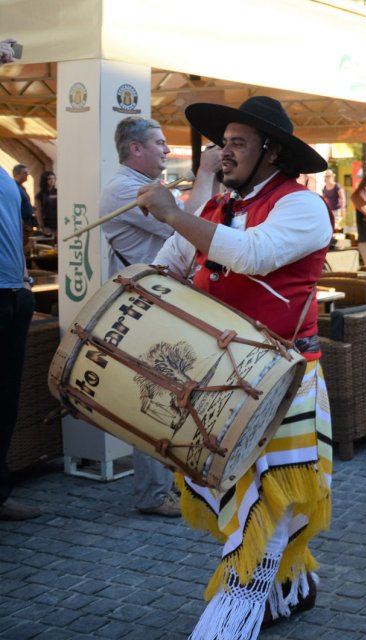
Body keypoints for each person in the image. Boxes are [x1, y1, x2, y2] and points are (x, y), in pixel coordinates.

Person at [138, 96, 333, 636]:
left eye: (238, 143)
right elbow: (168, 265)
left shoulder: (303, 206)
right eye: (223, 143)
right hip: (223, 376)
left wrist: (174, 213)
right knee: (242, 492)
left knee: (273, 498)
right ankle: (292, 587)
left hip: (285, 376)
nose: (224, 152)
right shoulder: (216, 209)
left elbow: (250, 254)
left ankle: (233, 616)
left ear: (272, 152)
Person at [99, 116, 219, 518]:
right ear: (135, 149)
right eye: (159, 143)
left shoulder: (141, 185)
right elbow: (190, 224)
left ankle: (170, 483)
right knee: (152, 395)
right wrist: (205, 172)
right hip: (146, 305)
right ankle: (152, 493)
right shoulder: (125, 189)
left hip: (159, 301)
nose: (167, 150)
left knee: (171, 391)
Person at [0, 165, 39, 521]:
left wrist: (24, 279)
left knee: (5, 402)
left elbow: (15, 229)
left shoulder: (3, 176)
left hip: (14, 293)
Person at [11, 164, 35, 230]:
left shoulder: (21, 187)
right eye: (25, 173)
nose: (27, 174)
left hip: (27, 222)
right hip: (21, 222)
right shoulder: (14, 187)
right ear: (16, 174)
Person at [34, 171, 56, 236]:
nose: (52, 181)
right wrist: (42, 226)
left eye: (54, 178)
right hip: (47, 224)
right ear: (45, 180)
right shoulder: (40, 195)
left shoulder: (57, 192)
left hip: (57, 222)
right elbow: (38, 211)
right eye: (49, 179)